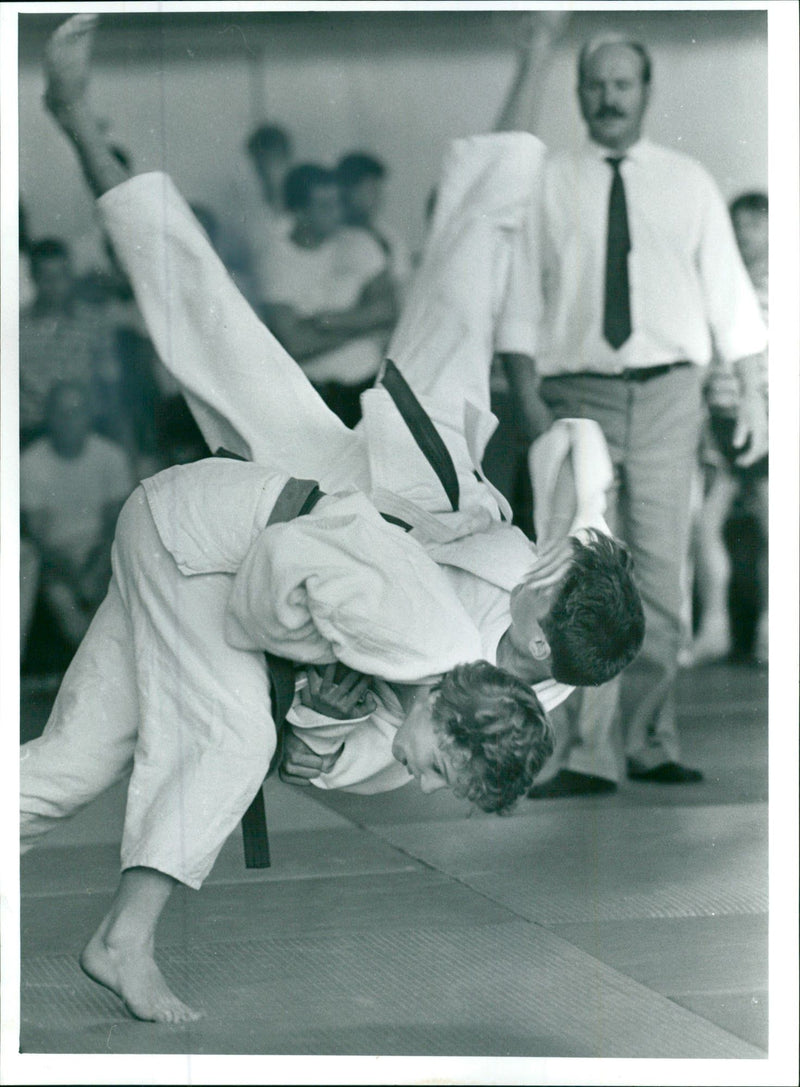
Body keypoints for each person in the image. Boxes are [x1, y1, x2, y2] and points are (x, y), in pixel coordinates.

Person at [39, 15, 644, 776]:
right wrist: (587, 505)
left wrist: (321, 730)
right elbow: (574, 451)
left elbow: (383, 762)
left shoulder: (494, 708)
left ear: (536, 644)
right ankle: (536, 52)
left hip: (327, 501)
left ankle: (73, 115)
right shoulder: (576, 594)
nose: (540, 582)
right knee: (466, 271)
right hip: (437, 470)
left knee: (206, 324)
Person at [494, 34, 768, 796]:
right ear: (579, 93)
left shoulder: (689, 183)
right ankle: (581, 752)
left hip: (672, 389)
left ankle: (649, 739)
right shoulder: (548, 180)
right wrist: (526, 400)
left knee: (659, 567)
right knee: (579, 567)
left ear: (646, 91)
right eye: (596, 85)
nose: (609, 97)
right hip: (577, 390)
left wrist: (750, 392)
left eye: (623, 84)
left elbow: (730, 302)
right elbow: (519, 300)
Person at [691, 192, 769, 664]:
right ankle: (715, 625)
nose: (744, 235)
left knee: (773, 522)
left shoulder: (782, 283)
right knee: (706, 523)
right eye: (737, 226)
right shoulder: (722, 286)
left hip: (768, 422)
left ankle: (771, 632)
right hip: (720, 421)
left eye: (755, 225)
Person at [261, 161, 399, 427]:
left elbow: (388, 311)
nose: (337, 213)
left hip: (371, 386)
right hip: (315, 396)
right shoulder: (275, 262)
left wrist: (326, 322)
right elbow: (295, 345)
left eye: (338, 203)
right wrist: (364, 324)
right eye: (325, 206)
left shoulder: (359, 242)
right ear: (299, 213)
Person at [20, 380, 134, 650]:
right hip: (58, 562)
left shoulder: (111, 456)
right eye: (61, 413)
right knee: (68, 612)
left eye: (76, 412)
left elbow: (115, 525)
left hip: (104, 554)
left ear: (89, 415)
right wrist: (74, 575)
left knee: (113, 602)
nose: (68, 421)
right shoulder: (31, 464)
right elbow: (38, 537)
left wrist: (94, 571)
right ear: (48, 417)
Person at [336, 151, 412, 293]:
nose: (378, 197)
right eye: (371, 189)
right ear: (346, 189)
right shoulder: (330, 235)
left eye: (379, 189)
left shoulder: (388, 238)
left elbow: (402, 282)